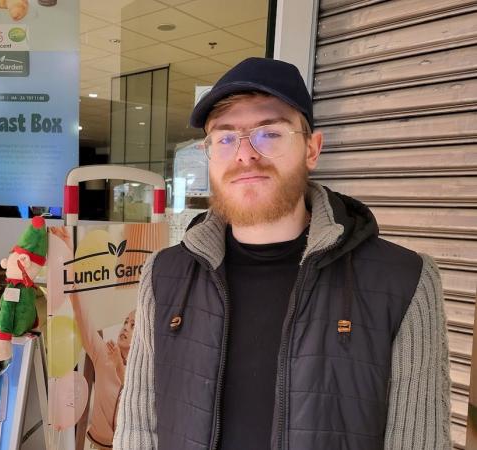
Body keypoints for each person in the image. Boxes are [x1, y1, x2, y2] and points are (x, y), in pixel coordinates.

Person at [113, 57, 451, 450]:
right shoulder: (165, 274)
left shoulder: (404, 280)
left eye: (268, 134)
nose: (244, 155)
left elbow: (420, 441)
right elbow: (137, 429)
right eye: (225, 138)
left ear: (312, 148)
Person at [70, 290, 135, 449]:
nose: (125, 327)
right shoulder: (104, 355)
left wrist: (119, 365)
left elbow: (135, 395)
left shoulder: (143, 368)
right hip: (99, 444)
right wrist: (73, 290)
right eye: (125, 322)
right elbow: (84, 322)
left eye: (133, 325)